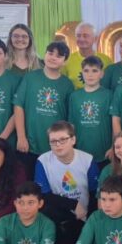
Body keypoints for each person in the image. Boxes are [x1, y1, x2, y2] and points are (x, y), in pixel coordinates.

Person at [35, 121, 99, 244]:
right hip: (59, 212)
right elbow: (44, 195)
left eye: (63, 140)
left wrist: (89, 218)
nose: (58, 145)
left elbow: (95, 193)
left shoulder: (87, 160)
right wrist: (73, 204)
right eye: (53, 141)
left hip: (85, 214)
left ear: (73, 140)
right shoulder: (43, 161)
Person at [13, 41, 73, 175]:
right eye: (50, 53)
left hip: (56, 147)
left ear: (64, 61)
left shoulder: (67, 84)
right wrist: (21, 136)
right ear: (44, 55)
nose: (53, 57)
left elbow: (69, 117)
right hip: (29, 145)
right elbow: (18, 106)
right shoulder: (30, 78)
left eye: (58, 56)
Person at [67, 55, 113, 165]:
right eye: (86, 71)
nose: (90, 75)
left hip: (105, 153)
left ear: (101, 74)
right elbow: (71, 125)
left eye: (94, 71)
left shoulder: (109, 95)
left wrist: (113, 146)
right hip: (80, 153)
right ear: (82, 73)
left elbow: (115, 124)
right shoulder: (74, 96)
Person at [63, 22, 112, 89]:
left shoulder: (106, 60)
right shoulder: (67, 60)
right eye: (78, 36)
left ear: (95, 39)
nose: (82, 39)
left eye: (85, 36)